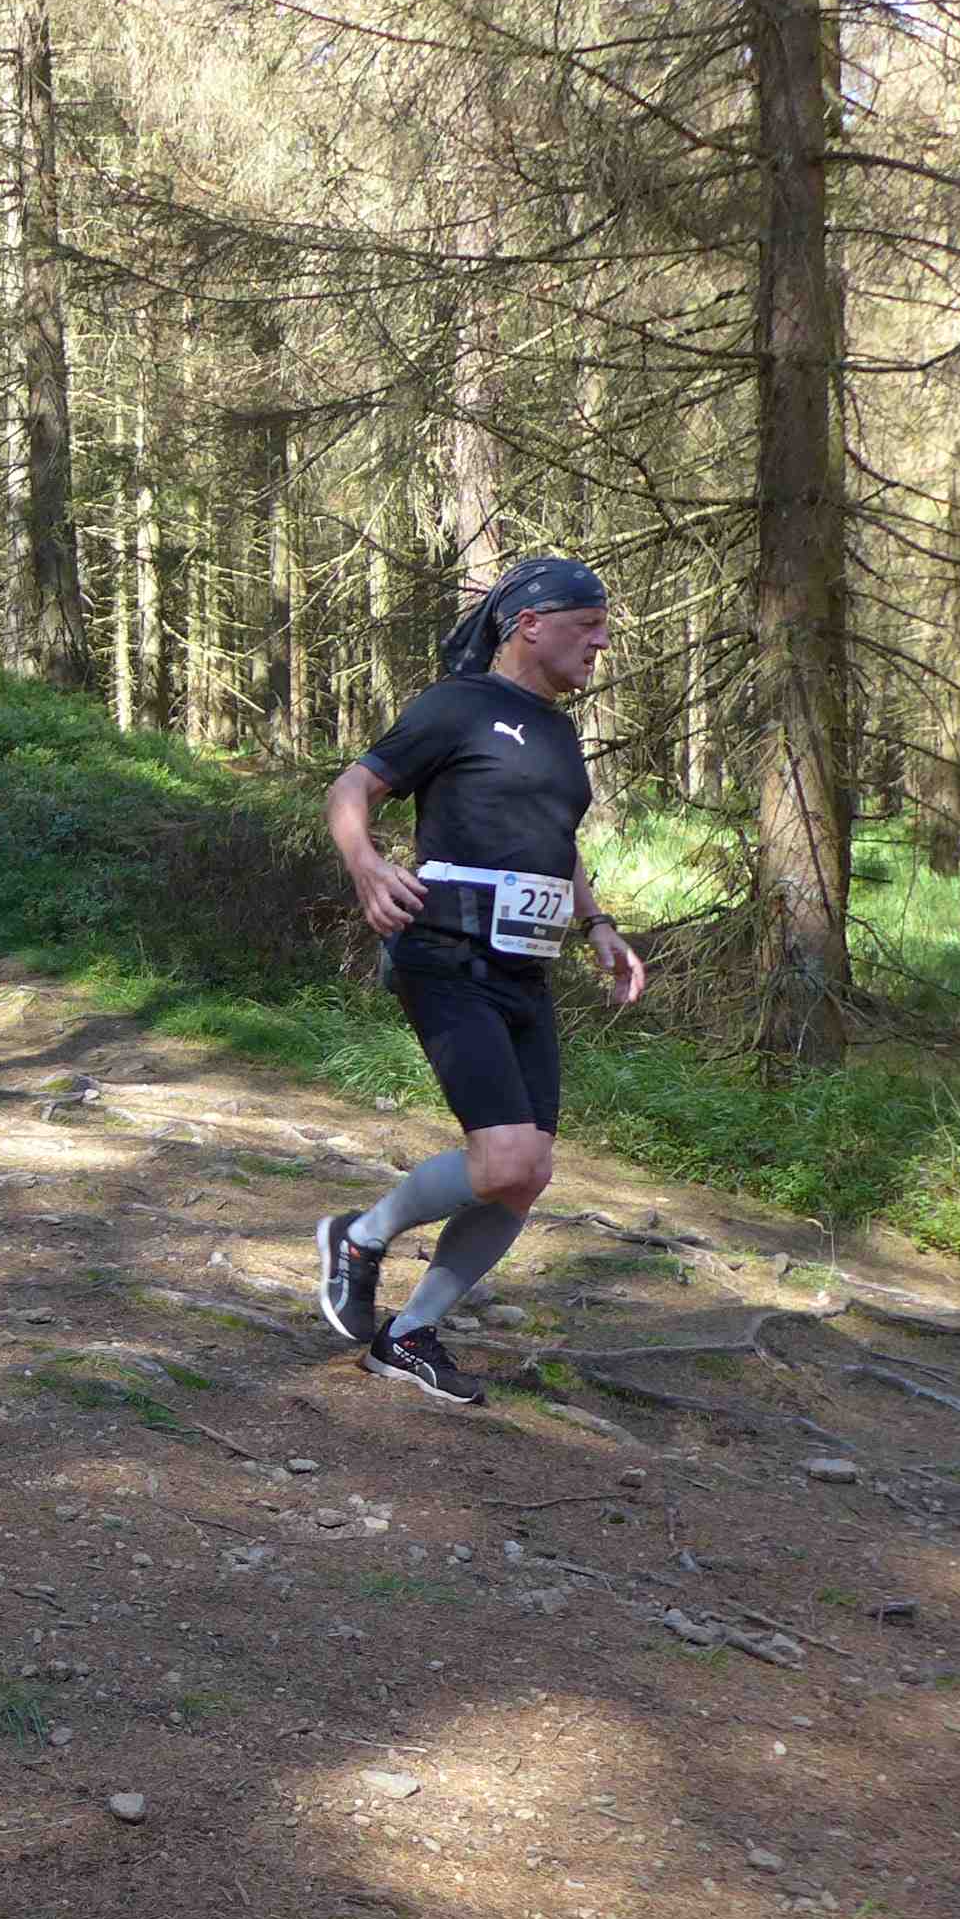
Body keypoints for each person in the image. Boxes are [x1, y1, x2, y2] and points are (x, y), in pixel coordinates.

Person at [315, 556, 647, 1402]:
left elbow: (555, 841)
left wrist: (598, 924)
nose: (602, 642)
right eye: (588, 625)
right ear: (531, 624)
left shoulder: (560, 733)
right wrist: (366, 865)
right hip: (445, 952)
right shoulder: (456, 706)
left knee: (529, 1174)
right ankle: (362, 1236)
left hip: (526, 969)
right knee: (503, 1159)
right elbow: (352, 788)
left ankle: (407, 1336)